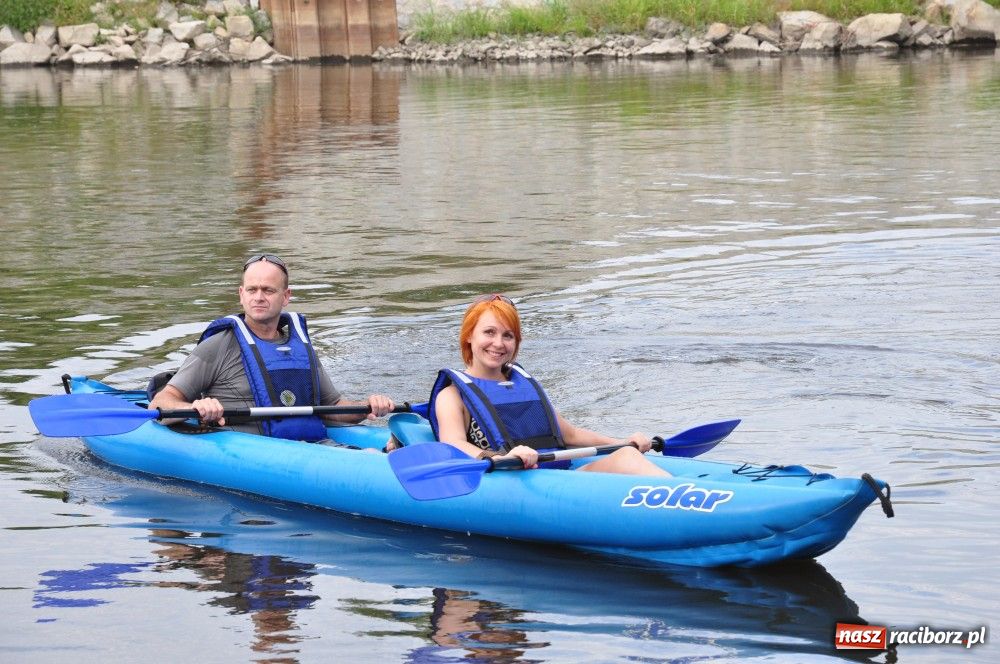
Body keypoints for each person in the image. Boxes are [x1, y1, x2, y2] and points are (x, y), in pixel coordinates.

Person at [149, 253, 394, 440]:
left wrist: (367, 407)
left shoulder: (301, 348)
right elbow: (161, 402)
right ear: (241, 294)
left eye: (268, 290)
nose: (258, 297)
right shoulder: (217, 346)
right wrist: (195, 407)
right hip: (245, 449)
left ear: (285, 296)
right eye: (252, 290)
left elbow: (334, 407)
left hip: (306, 445)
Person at [427, 294, 669, 475]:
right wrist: (502, 457)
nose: (498, 343)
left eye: (508, 335)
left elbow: (570, 434)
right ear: (469, 336)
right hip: (513, 479)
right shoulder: (452, 396)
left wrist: (622, 442)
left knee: (625, 453)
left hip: (555, 476)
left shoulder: (522, 385)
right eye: (489, 332)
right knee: (625, 458)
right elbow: (452, 443)